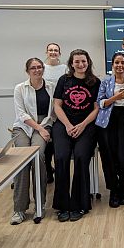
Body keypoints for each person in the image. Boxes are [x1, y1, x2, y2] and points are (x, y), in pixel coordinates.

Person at [52, 49, 100, 222]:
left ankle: (80, 204)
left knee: (81, 156)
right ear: (71, 63)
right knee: (61, 157)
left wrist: (82, 125)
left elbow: (96, 108)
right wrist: (68, 125)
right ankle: (63, 205)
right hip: (64, 125)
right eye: (77, 61)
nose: (81, 64)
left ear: (88, 62)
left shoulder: (95, 82)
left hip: (86, 126)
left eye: (84, 61)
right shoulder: (63, 80)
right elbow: (57, 105)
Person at [10, 58, 55, 225]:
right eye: (33, 68)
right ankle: (19, 209)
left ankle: (40, 205)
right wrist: (39, 128)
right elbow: (21, 114)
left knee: (38, 157)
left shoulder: (50, 86)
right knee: (22, 160)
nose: (37, 70)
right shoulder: (20, 88)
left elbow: (53, 111)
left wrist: (44, 128)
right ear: (27, 70)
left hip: (44, 124)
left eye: (39, 67)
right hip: (23, 126)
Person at [95, 52, 124, 208]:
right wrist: (115, 98)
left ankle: (122, 188)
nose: (119, 65)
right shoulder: (106, 82)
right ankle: (113, 191)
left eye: (122, 63)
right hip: (108, 121)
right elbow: (100, 103)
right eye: (116, 63)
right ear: (112, 65)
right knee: (109, 157)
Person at [43, 42, 67, 184]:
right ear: (46, 52)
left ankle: (58, 171)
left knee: (56, 139)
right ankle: (47, 168)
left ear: (59, 53)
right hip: (45, 107)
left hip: (60, 107)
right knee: (46, 139)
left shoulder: (65, 68)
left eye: (56, 50)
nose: (53, 52)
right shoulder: (43, 68)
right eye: (50, 50)